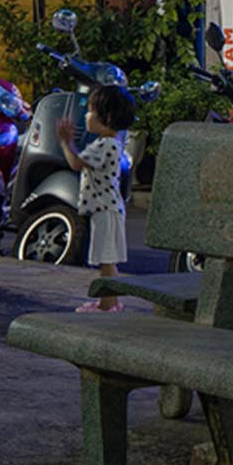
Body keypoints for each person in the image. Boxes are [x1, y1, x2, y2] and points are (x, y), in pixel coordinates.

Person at [56, 82, 137, 313]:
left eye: (91, 111)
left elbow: (75, 163)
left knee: (106, 260)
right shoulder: (112, 143)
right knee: (106, 259)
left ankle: (107, 304)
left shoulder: (105, 145)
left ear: (107, 116)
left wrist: (65, 141)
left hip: (105, 210)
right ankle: (110, 301)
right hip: (107, 209)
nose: (87, 116)